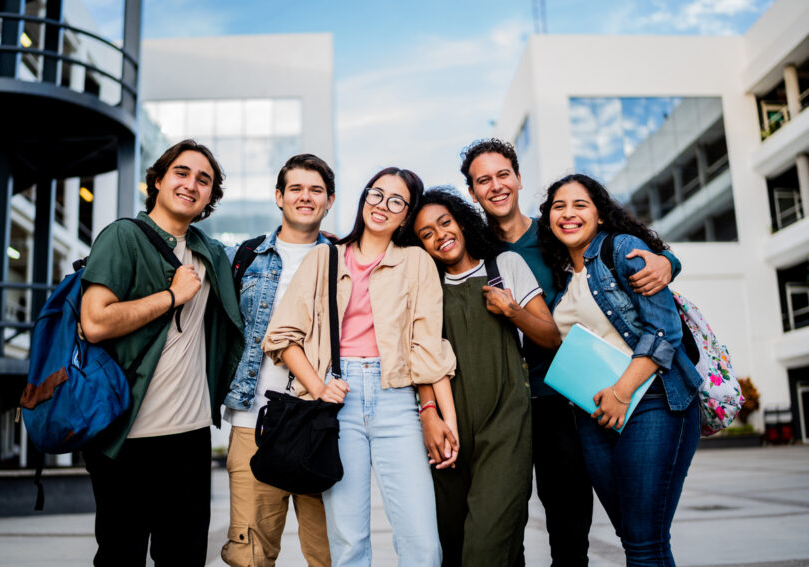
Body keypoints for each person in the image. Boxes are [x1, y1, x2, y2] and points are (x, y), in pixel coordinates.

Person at [459, 138, 680, 566]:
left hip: (563, 397)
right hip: (497, 405)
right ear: (472, 192)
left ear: (519, 179)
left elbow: (626, 250)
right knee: (501, 525)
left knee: (568, 527)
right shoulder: (472, 247)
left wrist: (669, 261)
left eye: (503, 174)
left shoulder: (556, 231)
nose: (496, 186)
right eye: (483, 180)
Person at [262, 167, 457, 567]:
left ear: (406, 215)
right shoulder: (325, 257)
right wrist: (318, 386)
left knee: (422, 541)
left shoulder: (416, 262)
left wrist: (443, 418)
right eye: (376, 194)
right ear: (363, 197)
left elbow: (427, 349)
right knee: (349, 542)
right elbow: (281, 336)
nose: (382, 206)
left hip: (397, 399)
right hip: (339, 402)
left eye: (396, 201)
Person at [79, 139, 245, 566]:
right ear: (157, 180)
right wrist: (172, 296)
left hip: (190, 439)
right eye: (182, 173)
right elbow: (95, 322)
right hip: (125, 437)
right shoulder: (122, 237)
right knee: (121, 556)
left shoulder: (212, 255)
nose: (191, 184)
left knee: (185, 558)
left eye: (203, 180)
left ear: (210, 197)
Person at [538, 173, 702, 566]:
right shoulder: (563, 279)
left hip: (653, 401)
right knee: (636, 538)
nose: (568, 213)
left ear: (599, 215)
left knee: (645, 542)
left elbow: (665, 329)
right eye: (559, 206)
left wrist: (621, 392)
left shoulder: (623, 249)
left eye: (580, 205)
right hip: (596, 416)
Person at [411, 187, 560, 566]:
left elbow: (550, 336)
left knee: (487, 543)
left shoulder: (504, 266)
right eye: (426, 233)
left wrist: (512, 310)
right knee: (453, 543)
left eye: (445, 222)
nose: (440, 234)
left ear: (462, 222)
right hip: (449, 431)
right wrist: (429, 413)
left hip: (505, 426)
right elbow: (420, 356)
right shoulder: (425, 286)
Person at [220, 154, 335, 567]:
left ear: (330, 200)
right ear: (279, 197)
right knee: (250, 555)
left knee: (331, 555)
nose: (306, 197)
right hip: (254, 424)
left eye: (316, 190)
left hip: (323, 424)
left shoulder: (344, 259)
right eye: (296, 188)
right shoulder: (244, 257)